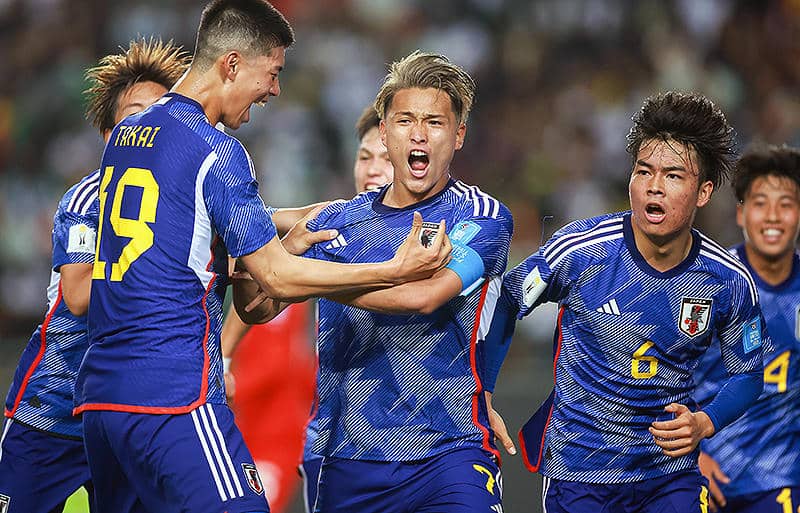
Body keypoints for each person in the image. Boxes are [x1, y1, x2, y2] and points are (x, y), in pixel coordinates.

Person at [72, 2, 449, 512]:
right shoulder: (216, 149)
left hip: (101, 397)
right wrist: (392, 269)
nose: (274, 90)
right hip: (171, 393)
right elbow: (277, 277)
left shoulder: (128, 135)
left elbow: (180, 225)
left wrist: (289, 225)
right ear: (231, 64)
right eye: (272, 72)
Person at [237, 50, 513, 513]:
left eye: (435, 122)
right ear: (384, 132)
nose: (419, 134)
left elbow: (423, 296)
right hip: (348, 456)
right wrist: (266, 260)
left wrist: (302, 278)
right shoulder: (337, 222)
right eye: (405, 120)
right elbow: (257, 308)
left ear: (459, 135)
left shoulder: (480, 216)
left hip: (449, 451)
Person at [484, 91, 767, 512]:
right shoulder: (581, 253)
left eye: (673, 176)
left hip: (669, 478)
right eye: (643, 171)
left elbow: (749, 374)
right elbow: (505, 300)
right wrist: (484, 393)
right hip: (579, 477)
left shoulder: (728, 281)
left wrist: (705, 422)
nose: (654, 186)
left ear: (703, 191)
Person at [0, 37, 190, 513]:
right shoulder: (88, 199)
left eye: (161, 117)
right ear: (110, 138)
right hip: (51, 412)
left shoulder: (185, 207)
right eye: (135, 118)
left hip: (126, 415)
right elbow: (79, 295)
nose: (149, 129)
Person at [220, 103, 395, 513]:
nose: (372, 169)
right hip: (335, 440)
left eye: (385, 159)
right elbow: (265, 291)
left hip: (422, 435)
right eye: (364, 157)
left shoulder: (437, 230)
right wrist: (224, 356)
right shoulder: (334, 227)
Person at [694, 145, 800, 512]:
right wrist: (693, 457)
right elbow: (662, 375)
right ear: (741, 213)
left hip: (779, 480)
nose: (773, 216)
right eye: (760, 203)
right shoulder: (710, 283)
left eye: (786, 204)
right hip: (702, 474)